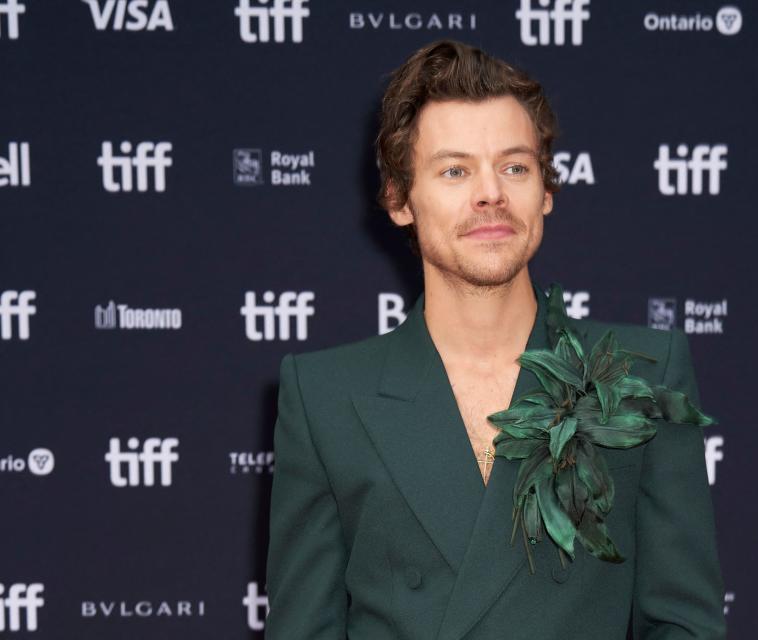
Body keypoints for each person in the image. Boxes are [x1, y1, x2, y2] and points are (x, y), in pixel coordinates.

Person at [264, 39, 726, 639]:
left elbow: (684, 623)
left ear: (546, 191)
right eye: (455, 170)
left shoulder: (643, 372)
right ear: (400, 199)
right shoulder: (325, 397)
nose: (492, 194)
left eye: (515, 167)